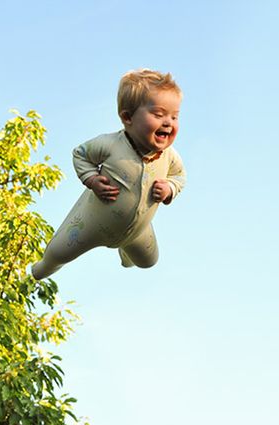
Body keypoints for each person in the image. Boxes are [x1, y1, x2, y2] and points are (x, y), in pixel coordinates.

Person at [31, 69, 186, 280]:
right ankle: (42, 268)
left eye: (174, 116)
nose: (168, 122)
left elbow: (179, 176)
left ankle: (126, 251)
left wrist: (170, 189)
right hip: (92, 223)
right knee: (58, 252)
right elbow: (80, 154)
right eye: (159, 115)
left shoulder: (169, 156)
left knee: (149, 261)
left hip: (137, 231)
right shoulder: (111, 145)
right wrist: (93, 180)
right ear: (128, 117)